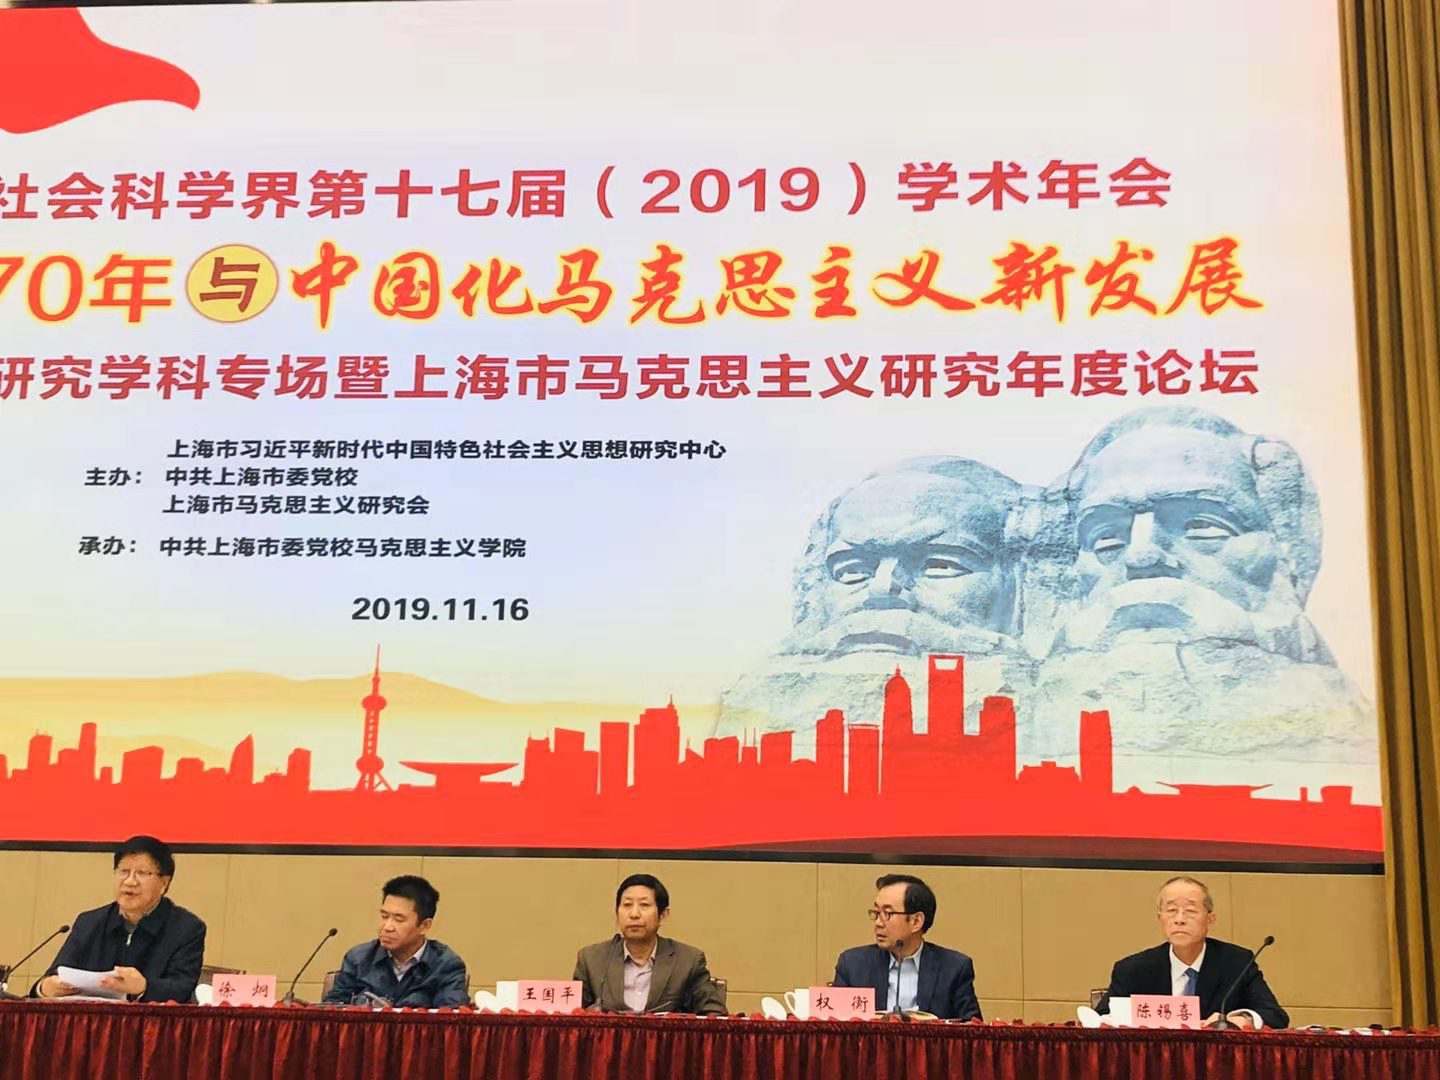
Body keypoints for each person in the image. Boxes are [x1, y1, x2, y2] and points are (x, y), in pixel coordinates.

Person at [33, 834, 205, 1003]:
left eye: (141, 873)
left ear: (164, 883)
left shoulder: (187, 928)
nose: (130, 881)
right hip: (92, 1018)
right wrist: (44, 988)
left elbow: (182, 988)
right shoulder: (89, 922)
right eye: (124, 871)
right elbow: (57, 973)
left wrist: (144, 987)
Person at [1100, 875, 1288, 1029]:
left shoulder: (1237, 963)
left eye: (1190, 910)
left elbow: (1275, 1016)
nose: (1179, 919)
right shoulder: (1133, 969)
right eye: (1171, 910)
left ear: (1210, 920)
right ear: (1160, 918)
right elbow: (1100, 1020)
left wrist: (1242, 1019)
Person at [831, 873, 981, 1020]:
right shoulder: (852, 965)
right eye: (876, 913)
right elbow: (834, 1025)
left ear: (916, 921)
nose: (878, 923)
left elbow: (973, 1029)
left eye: (887, 913)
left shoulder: (954, 968)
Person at [572, 873, 726, 1014]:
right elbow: (572, 1016)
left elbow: (714, 1015)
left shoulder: (688, 961)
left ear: (663, 915)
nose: (634, 914)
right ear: (617, 914)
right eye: (627, 905)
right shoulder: (592, 960)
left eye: (644, 905)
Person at [324, 875, 468, 1007]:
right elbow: (332, 1011)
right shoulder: (359, 958)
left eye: (399, 919)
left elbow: (452, 1018)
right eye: (384, 916)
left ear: (424, 926)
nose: (387, 927)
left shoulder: (445, 964)